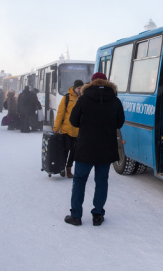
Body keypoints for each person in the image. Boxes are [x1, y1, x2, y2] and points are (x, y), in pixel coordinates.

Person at [64, 72, 125, 227]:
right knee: (101, 181)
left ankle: (76, 216)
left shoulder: (83, 99)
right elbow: (120, 123)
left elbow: (73, 121)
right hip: (106, 149)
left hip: (86, 147)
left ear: (91, 83)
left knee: (79, 180)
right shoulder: (115, 100)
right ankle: (98, 215)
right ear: (106, 82)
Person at [53, 79, 83, 178]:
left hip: (78, 131)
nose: (80, 90)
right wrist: (56, 127)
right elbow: (60, 114)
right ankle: (62, 168)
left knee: (74, 152)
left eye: (81, 88)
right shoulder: (66, 98)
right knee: (65, 150)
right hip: (66, 129)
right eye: (78, 88)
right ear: (74, 88)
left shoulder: (82, 98)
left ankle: (69, 169)